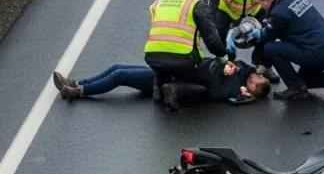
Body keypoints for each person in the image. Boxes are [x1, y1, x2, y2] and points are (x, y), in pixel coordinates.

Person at [243, 0, 324, 100]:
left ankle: (296, 90)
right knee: (303, 80)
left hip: (316, 53)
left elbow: (267, 37)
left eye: (259, 2)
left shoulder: (278, 13)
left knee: (271, 49)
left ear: (266, 0)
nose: (260, 6)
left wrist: (257, 33)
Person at [144, 0, 231, 105]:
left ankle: (159, 88)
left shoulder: (157, 3)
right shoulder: (196, 4)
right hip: (184, 60)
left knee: (166, 63)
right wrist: (223, 57)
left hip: (152, 58)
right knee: (211, 84)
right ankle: (175, 89)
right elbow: (212, 39)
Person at [51, 57, 271, 108]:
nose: (258, 75)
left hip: (172, 78)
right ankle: (78, 83)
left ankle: (78, 91)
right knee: (117, 67)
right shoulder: (242, 71)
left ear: (252, 88)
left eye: (259, 79)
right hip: (180, 69)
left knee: (120, 77)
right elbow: (235, 60)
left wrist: (220, 72)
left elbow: (213, 93)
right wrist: (227, 64)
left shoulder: (233, 87)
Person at [202, 0, 279, 83]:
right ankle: (227, 64)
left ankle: (263, 66)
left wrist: (270, 17)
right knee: (220, 34)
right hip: (227, 9)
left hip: (255, 9)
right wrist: (209, 20)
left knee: (266, 33)